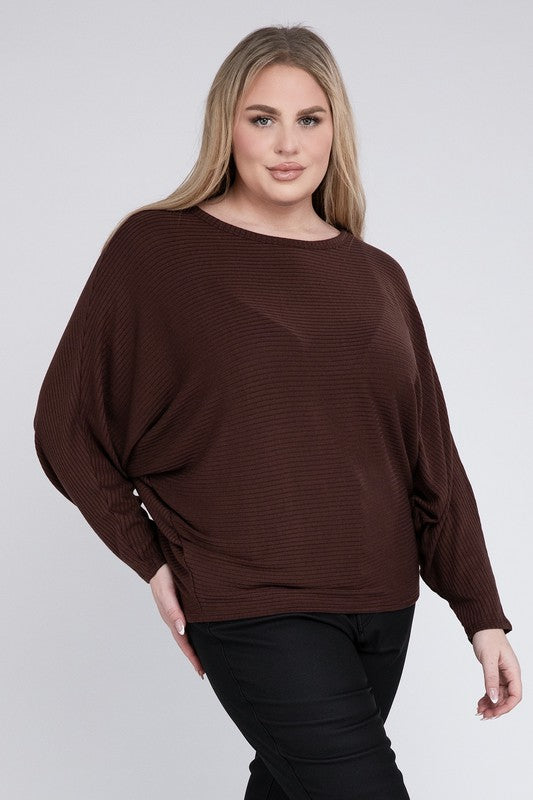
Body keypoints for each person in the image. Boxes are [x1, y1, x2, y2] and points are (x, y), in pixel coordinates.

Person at [33, 23, 521, 800]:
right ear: (226, 128)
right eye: (262, 119)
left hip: (380, 604)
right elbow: (66, 424)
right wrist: (150, 560)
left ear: (335, 130)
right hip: (251, 602)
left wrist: (481, 615)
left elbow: (429, 459)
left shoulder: (377, 275)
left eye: (308, 119)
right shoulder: (157, 249)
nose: (287, 143)